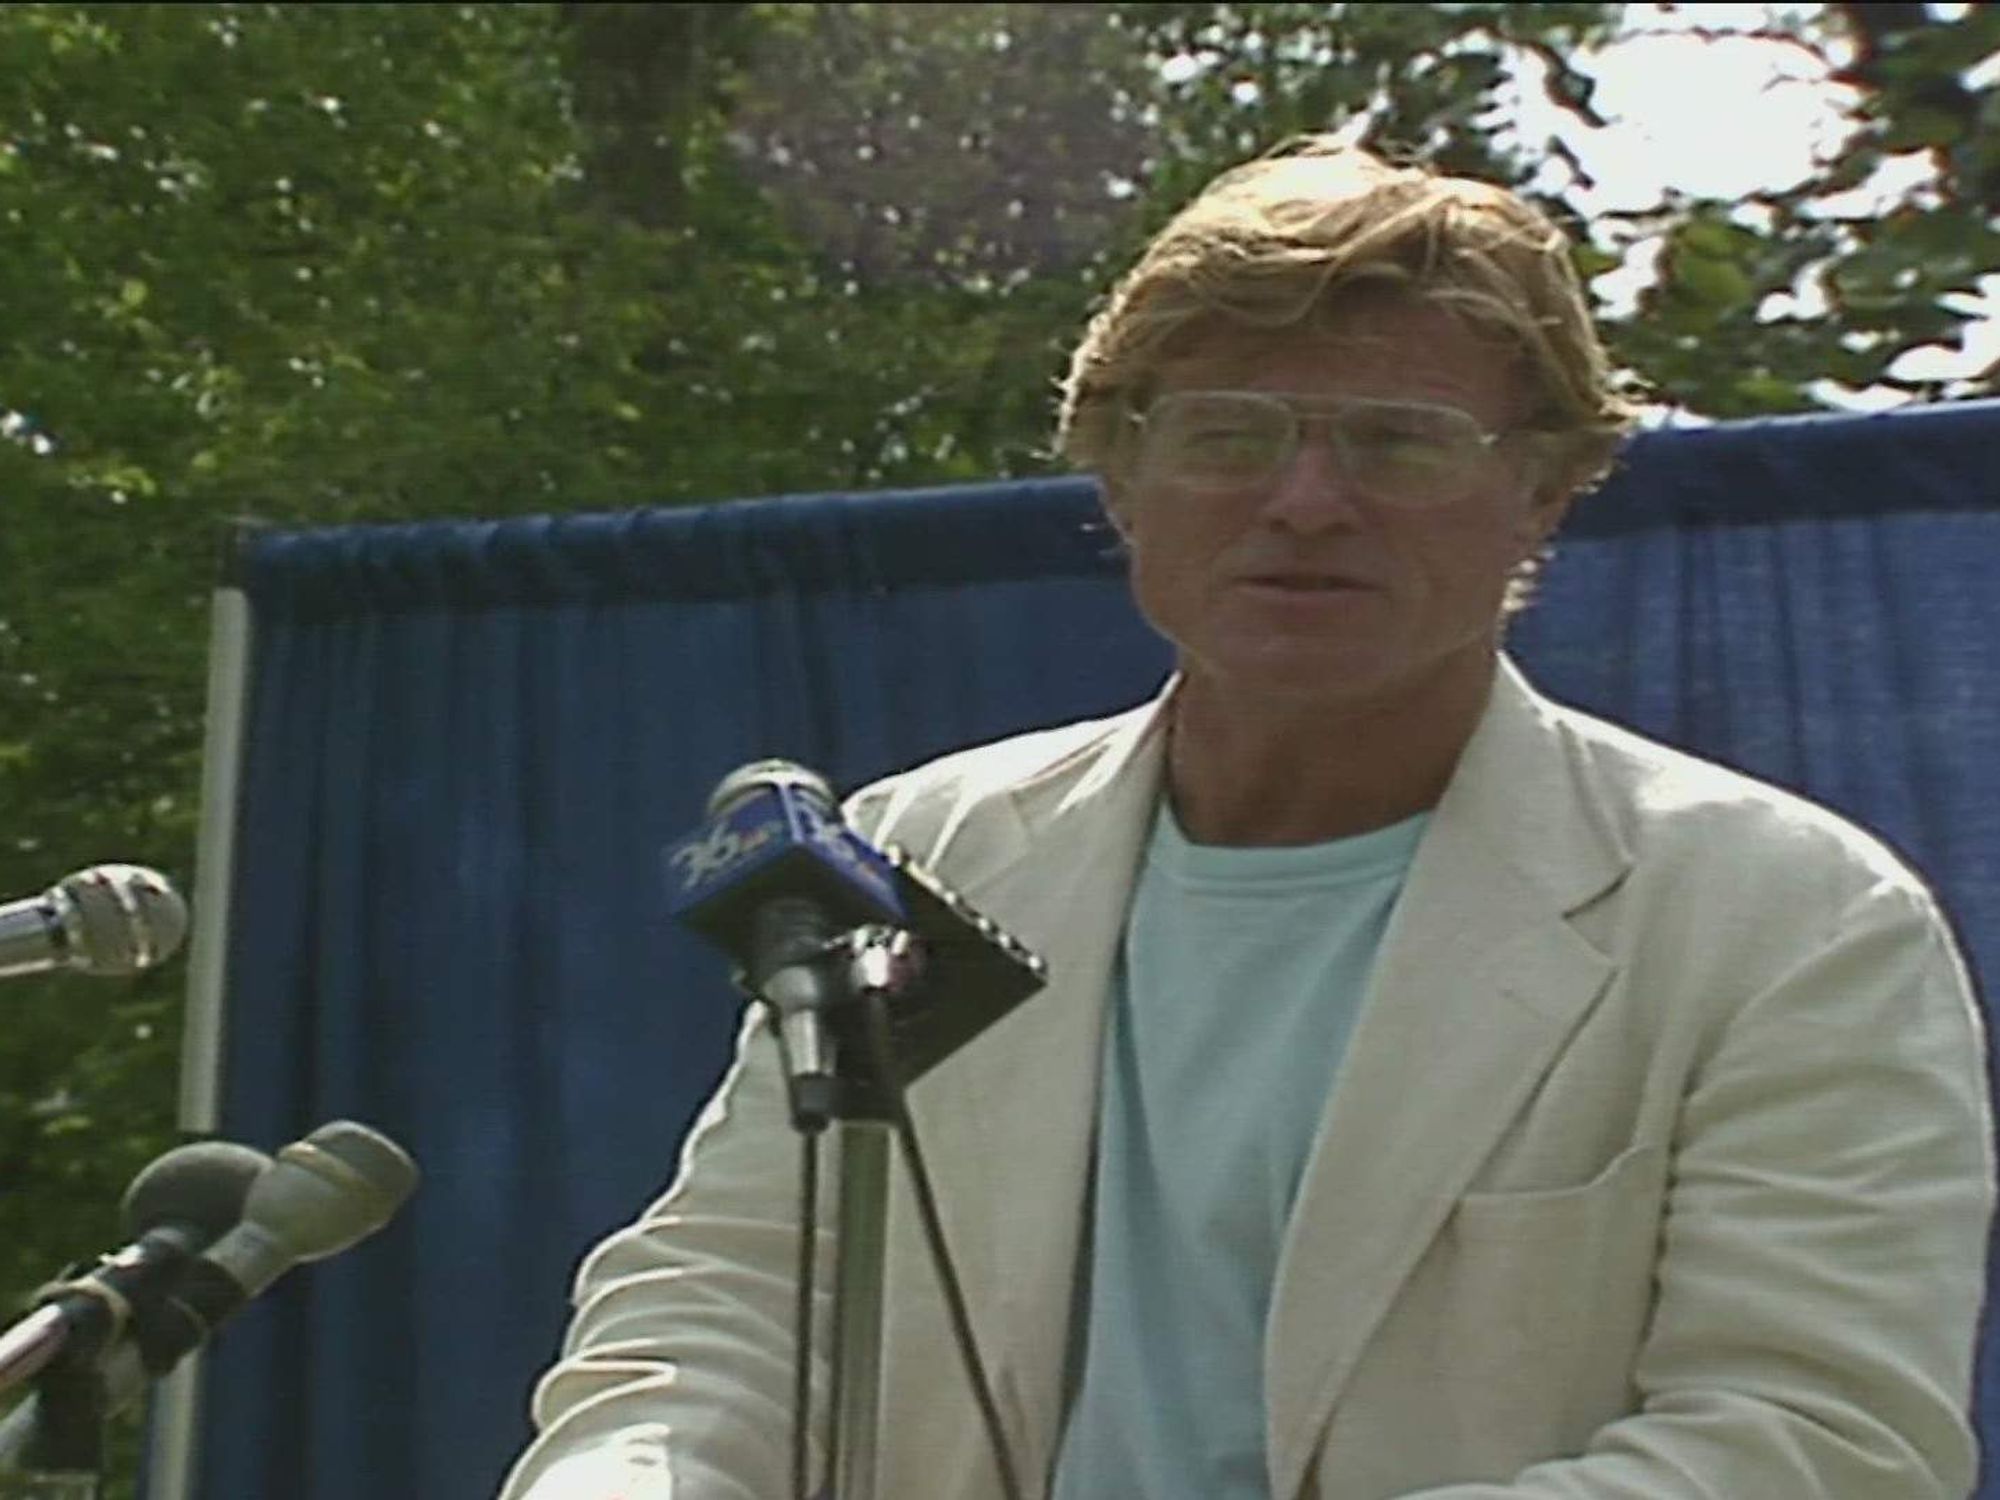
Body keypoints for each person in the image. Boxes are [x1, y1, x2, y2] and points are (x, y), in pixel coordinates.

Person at [497, 138, 1995, 1499]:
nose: (1305, 500)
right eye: (1227, 434)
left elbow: (1815, 1443)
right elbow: (729, 1304)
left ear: (1543, 489)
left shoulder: (1789, 917)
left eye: (1398, 442)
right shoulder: (928, 845)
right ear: (1124, 472)